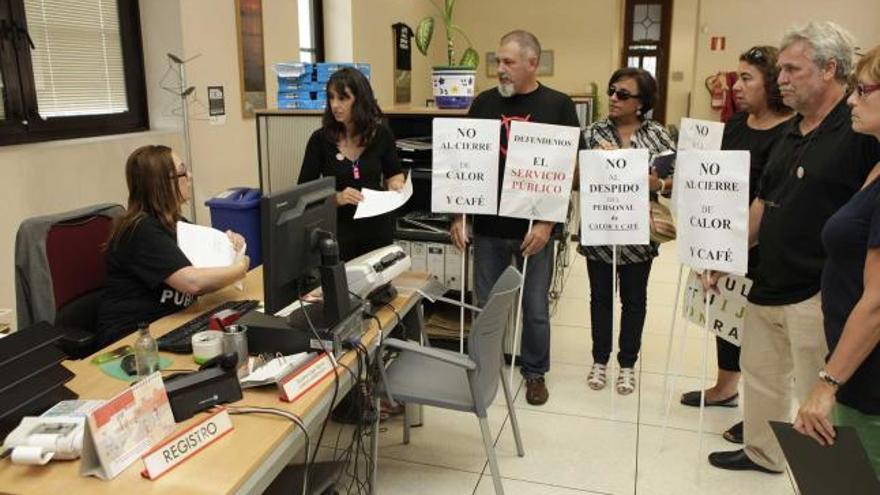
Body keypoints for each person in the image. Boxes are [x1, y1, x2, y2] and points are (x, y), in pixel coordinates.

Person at [706, 22, 880, 474]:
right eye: (779, 68)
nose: (780, 77)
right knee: (762, 376)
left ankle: (825, 477)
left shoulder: (858, 130)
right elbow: (764, 202)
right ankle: (762, 452)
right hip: (768, 281)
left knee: (816, 404)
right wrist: (726, 255)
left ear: (828, 70)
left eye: (791, 68)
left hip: (817, 291)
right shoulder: (791, 131)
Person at [449, 30, 585, 406]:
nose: (500, 70)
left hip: (534, 228)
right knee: (486, 304)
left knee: (535, 308)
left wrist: (547, 224)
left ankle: (535, 373)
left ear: (532, 63)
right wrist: (459, 215)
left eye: (508, 62)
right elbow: (463, 162)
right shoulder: (483, 103)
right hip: (489, 226)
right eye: (498, 62)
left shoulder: (557, 106)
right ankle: (483, 367)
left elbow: (570, 168)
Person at [680, 46, 794, 444]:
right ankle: (725, 386)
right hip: (725, 236)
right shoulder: (734, 125)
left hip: (763, 243)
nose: (737, 85)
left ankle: (761, 415)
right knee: (725, 316)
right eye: (736, 77)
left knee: (760, 334)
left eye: (747, 78)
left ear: (772, 83)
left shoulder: (790, 132)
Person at [794, 45, 880, 476]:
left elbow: (878, 302)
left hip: (869, 379)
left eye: (863, 90)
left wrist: (826, 383)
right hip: (857, 369)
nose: (851, 99)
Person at [580, 68, 675, 395]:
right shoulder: (593, 133)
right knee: (600, 299)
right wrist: (592, 166)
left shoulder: (658, 136)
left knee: (634, 301)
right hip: (600, 228)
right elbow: (576, 178)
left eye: (623, 94)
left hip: (639, 234)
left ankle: (627, 363)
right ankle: (599, 360)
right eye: (611, 91)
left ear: (641, 103)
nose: (613, 98)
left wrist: (658, 182)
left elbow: (678, 181)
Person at [97, 145, 248, 347]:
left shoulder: (175, 222)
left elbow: (205, 263)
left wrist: (228, 244)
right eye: (182, 172)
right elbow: (193, 282)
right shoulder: (141, 230)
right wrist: (240, 268)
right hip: (133, 339)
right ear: (160, 184)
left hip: (174, 323)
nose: (190, 176)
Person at [298, 67, 406, 261]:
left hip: (377, 229)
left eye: (343, 98)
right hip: (338, 232)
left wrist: (396, 184)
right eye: (331, 98)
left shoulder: (381, 135)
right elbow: (303, 194)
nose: (335, 105)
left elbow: (395, 175)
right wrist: (337, 198)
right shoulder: (320, 140)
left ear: (360, 99)